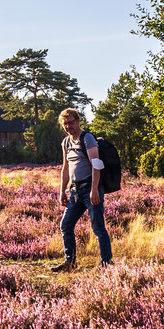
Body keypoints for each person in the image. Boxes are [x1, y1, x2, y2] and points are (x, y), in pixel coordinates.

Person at [53, 106, 111, 271]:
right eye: (65, 124)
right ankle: (69, 262)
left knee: (98, 227)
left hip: (90, 189)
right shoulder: (66, 142)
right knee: (65, 225)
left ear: (77, 121)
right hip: (74, 192)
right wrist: (62, 191)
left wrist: (94, 189)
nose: (68, 127)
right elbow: (65, 169)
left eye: (71, 123)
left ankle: (106, 264)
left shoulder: (88, 139)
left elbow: (96, 165)